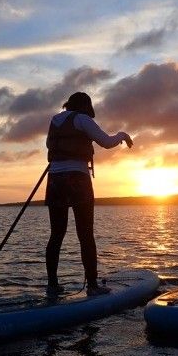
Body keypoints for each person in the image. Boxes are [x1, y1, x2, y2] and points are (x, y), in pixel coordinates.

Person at [45, 92, 133, 296]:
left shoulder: (55, 120)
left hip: (55, 179)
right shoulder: (83, 119)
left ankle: (52, 285)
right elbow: (106, 141)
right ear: (85, 106)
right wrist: (123, 135)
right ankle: (92, 286)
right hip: (77, 178)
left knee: (56, 234)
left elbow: (49, 145)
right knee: (85, 234)